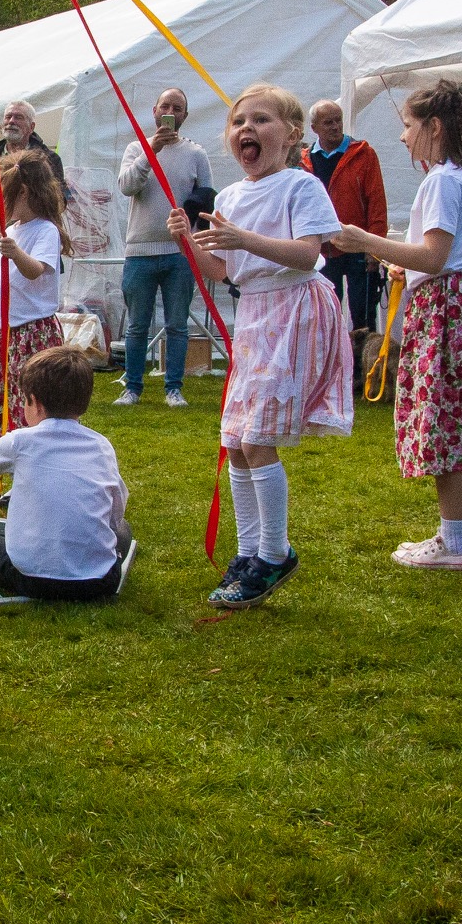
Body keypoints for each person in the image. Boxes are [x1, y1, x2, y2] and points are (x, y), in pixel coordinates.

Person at [332, 80, 462, 571]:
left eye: (408, 125)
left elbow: (435, 254)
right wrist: (407, 261)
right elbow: (439, 254)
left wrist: (367, 240)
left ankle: (457, 543)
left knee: (449, 423)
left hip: (454, 309)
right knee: (458, 424)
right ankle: (456, 536)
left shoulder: (443, 179)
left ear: (435, 127)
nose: (403, 137)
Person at [171, 84, 352, 609]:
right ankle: (249, 551)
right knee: (236, 438)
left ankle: (274, 553)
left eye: (262, 119)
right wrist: (189, 239)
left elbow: (307, 253)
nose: (246, 128)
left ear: (294, 135)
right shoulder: (228, 198)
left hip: (294, 309)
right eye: (238, 121)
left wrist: (243, 239)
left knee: (259, 437)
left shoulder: (301, 186)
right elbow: (225, 273)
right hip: (255, 314)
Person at [0, 346, 131, 601]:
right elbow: (116, 509)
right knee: (123, 529)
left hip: (34, 579)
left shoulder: (22, 441)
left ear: (33, 402)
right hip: (100, 580)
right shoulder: (101, 445)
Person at [115, 87, 214, 407]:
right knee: (137, 325)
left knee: (177, 324)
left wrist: (198, 242)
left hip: (179, 252)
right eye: (166, 105)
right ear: (154, 111)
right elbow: (127, 186)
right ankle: (132, 387)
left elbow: (208, 199)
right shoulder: (135, 148)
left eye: (178, 107)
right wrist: (151, 151)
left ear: (185, 116)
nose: (171, 111)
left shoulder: (197, 153)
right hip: (140, 250)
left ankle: (173, 388)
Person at [0, 151, 67, 441]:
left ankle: (32, 446)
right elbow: (12, 280)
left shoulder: (46, 231)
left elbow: (36, 270)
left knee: (29, 396)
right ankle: (8, 450)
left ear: (23, 193)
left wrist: (16, 253)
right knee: (4, 394)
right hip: (6, 331)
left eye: (5, 196)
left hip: (32, 332)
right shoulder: (14, 229)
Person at [302, 100, 388, 336]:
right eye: (328, 122)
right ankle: (331, 363)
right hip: (323, 248)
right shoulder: (303, 160)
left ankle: (363, 369)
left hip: (358, 245)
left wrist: (375, 248)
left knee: (363, 312)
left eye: (338, 120)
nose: (335, 126)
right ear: (314, 127)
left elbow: (376, 202)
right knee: (326, 311)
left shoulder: (364, 154)